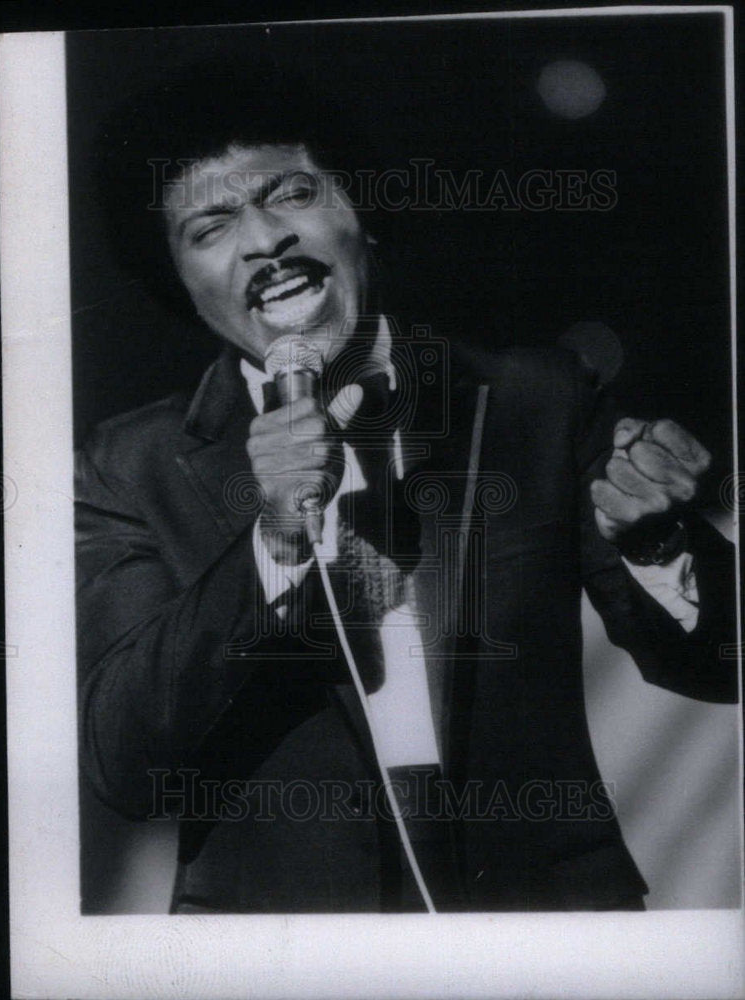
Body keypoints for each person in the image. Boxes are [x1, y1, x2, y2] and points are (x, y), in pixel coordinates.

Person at [75, 64, 737, 913]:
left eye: (290, 194)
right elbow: (122, 763)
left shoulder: (534, 400)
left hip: (540, 928)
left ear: (362, 211)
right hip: (279, 947)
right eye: (209, 227)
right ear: (182, 285)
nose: (261, 241)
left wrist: (657, 541)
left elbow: (719, 666)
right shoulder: (129, 464)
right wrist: (272, 544)